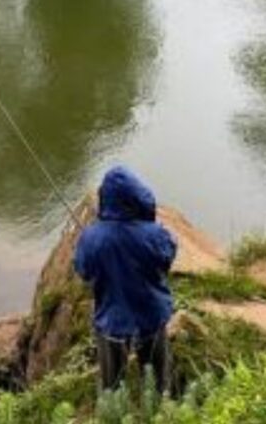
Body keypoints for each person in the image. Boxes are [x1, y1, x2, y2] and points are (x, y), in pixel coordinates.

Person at [73, 166, 177, 395]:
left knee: (111, 383)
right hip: (151, 315)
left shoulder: (90, 238)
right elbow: (167, 257)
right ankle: (163, 408)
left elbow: (83, 270)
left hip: (111, 320)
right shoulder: (154, 235)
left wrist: (92, 241)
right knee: (159, 377)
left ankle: (114, 410)